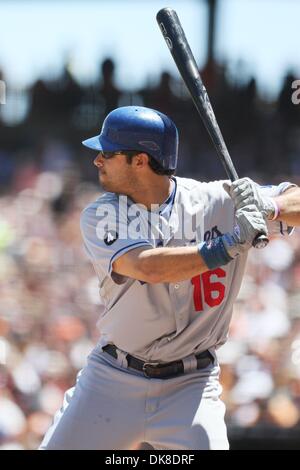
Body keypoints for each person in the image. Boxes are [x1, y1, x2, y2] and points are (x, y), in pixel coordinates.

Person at [40, 106, 300, 450]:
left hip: (191, 386)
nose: (97, 160)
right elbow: (148, 267)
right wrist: (229, 244)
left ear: (140, 161)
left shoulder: (217, 199)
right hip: (114, 378)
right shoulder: (102, 212)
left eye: (107, 152)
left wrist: (271, 208)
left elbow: (294, 198)